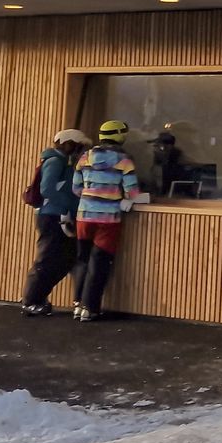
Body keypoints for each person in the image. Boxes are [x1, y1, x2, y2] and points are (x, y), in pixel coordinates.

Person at [70, 119, 139, 322]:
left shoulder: (85, 157)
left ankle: (77, 305)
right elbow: (132, 192)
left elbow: (76, 188)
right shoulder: (124, 160)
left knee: (83, 260)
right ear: (120, 135)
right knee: (99, 263)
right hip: (108, 220)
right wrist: (121, 198)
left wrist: (92, 196)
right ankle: (90, 308)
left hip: (84, 216)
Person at [21, 129, 89, 316]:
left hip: (59, 215)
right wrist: (68, 205)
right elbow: (47, 189)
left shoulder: (64, 162)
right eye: (78, 146)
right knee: (47, 258)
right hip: (53, 216)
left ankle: (38, 296)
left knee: (64, 259)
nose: (80, 151)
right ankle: (31, 300)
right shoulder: (55, 161)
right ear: (68, 144)